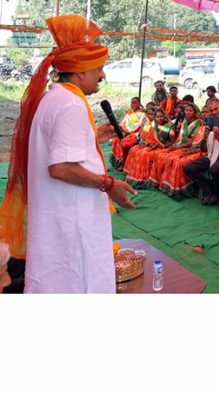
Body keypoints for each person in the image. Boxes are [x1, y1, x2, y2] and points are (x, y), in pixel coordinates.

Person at [0, 15, 136, 293]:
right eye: (98, 68)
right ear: (80, 71)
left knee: (55, 277)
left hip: (59, 216)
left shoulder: (54, 97)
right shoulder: (71, 104)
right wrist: (110, 184)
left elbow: (56, 150)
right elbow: (60, 168)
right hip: (73, 218)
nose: (103, 75)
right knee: (77, 279)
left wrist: (93, 136)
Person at [183, 99, 219, 205]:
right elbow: (204, 149)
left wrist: (218, 137)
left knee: (214, 169)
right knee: (188, 168)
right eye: (211, 110)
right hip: (212, 155)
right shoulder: (210, 122)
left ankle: (215, 195)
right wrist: (204, 138)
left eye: (216, 109)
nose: (214, 112)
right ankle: (211, 190)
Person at [160, 105, 209, 198]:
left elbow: (198, 144)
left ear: (195, 112)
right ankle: (169, 186)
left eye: (206, 112)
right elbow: (192, 140)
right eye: (203, 112)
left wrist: (188, 151)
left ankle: (182, 189)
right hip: (191, 149)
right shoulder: (200, 125)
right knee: (168, 157)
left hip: (202, 152)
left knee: (178, 162)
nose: (204, 114)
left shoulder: (204, 125)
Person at [124, 108, 175, 187]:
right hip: (152, 145)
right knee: (135, 151)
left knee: (144, 154)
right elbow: (150, 138)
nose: (159, 118)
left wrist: (162, 145)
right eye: (157, 117)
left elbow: (172, 142)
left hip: (163, 147)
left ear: (164, 116)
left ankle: (146, 179)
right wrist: (150, 144)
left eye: (161, 116)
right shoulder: (154, 125)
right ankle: (135, 176)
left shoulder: (170, 126)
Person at [110, 97, 147, 169]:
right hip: (126, 131)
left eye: (136, 102)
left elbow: (139, 124)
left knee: (124, 142)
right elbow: (123, 121)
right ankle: (117, 163)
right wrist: (120, 128)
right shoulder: (130, 111)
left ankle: (123, 163)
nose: (134, 104)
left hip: (135, 133)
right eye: (133, 102)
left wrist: (130, 131)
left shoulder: (142, 113)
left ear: (139, 103)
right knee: (116, 140)